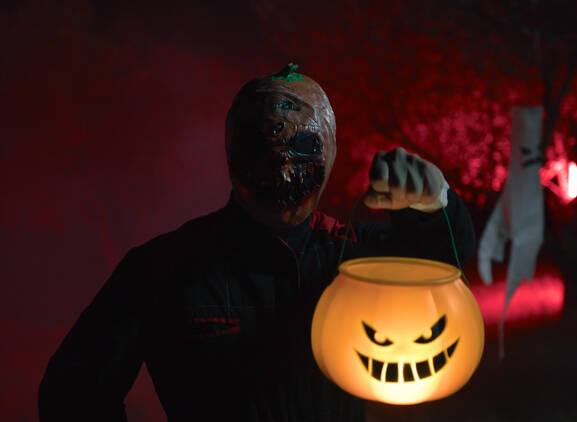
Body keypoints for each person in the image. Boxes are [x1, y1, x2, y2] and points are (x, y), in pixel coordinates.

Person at [38, 64, 475, 421]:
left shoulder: (353, 256)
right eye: (259, 145)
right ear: (233, 152)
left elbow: (443, 267)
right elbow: (73, 394)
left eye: (302, 144)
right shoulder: (162, 270)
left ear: (328, 151)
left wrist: (435, 207)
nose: (281, 164)